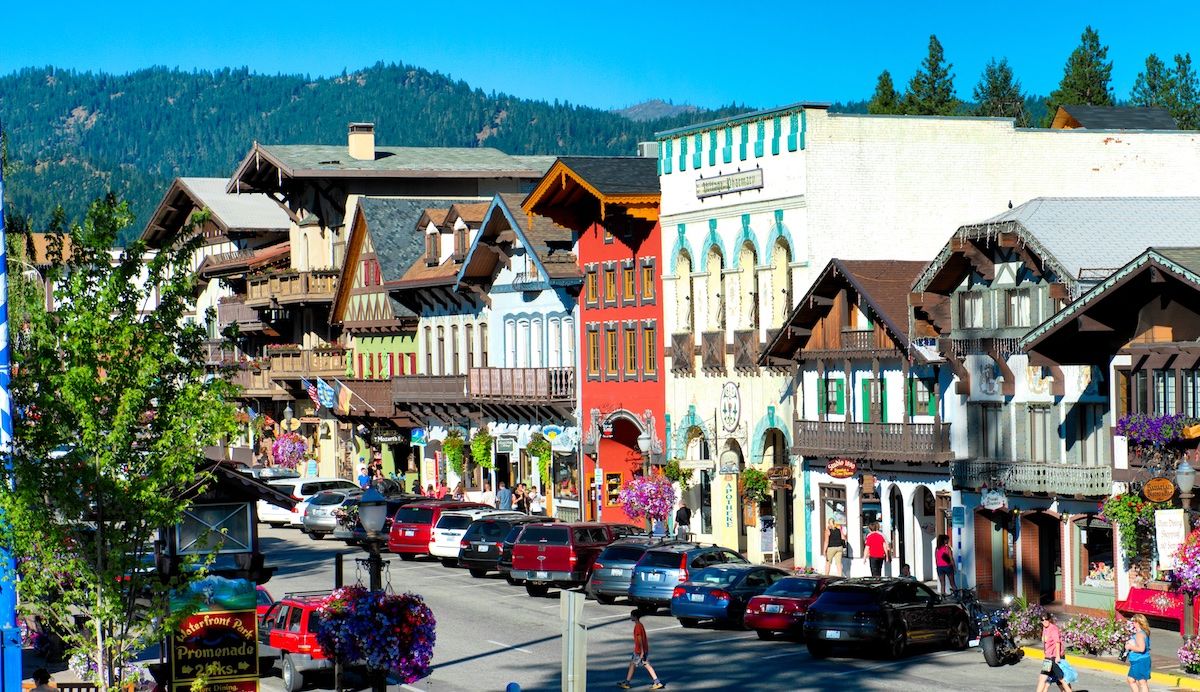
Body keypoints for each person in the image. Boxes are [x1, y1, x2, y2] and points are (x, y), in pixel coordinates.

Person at [617, 610, 664, 690]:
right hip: (642, 650)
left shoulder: (638, 626)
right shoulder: (640, 625)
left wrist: (641, 651)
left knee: (633, 664)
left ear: (635, 617)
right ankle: (657, 682)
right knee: (645, 665)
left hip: (639, 651)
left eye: (631, 615)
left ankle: (627, 683)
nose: (630, 617)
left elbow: (640, 639)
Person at [1038, 612, 1072, 692]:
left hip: (1054, 658)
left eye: (1046, 620)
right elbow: (1044, 640)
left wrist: (1058, 656)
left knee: (1061, 679)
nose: (1044, 622)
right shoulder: (1045, 628)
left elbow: (1057, 642)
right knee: (1044, 680)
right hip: (1048, 658)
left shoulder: (1053, 629)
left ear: (1049, 619)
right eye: (1042, 620)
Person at [1126, 613, 1151, 692]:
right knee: (1131, 679)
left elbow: (1141, 649)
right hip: (1140, 660)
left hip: (1140, 660)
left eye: (1134, 622)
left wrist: (1130, 647)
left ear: (1138, 623)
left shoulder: (1139, 634)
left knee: (1142, 682)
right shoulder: (1144, 632)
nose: (1133, 623)